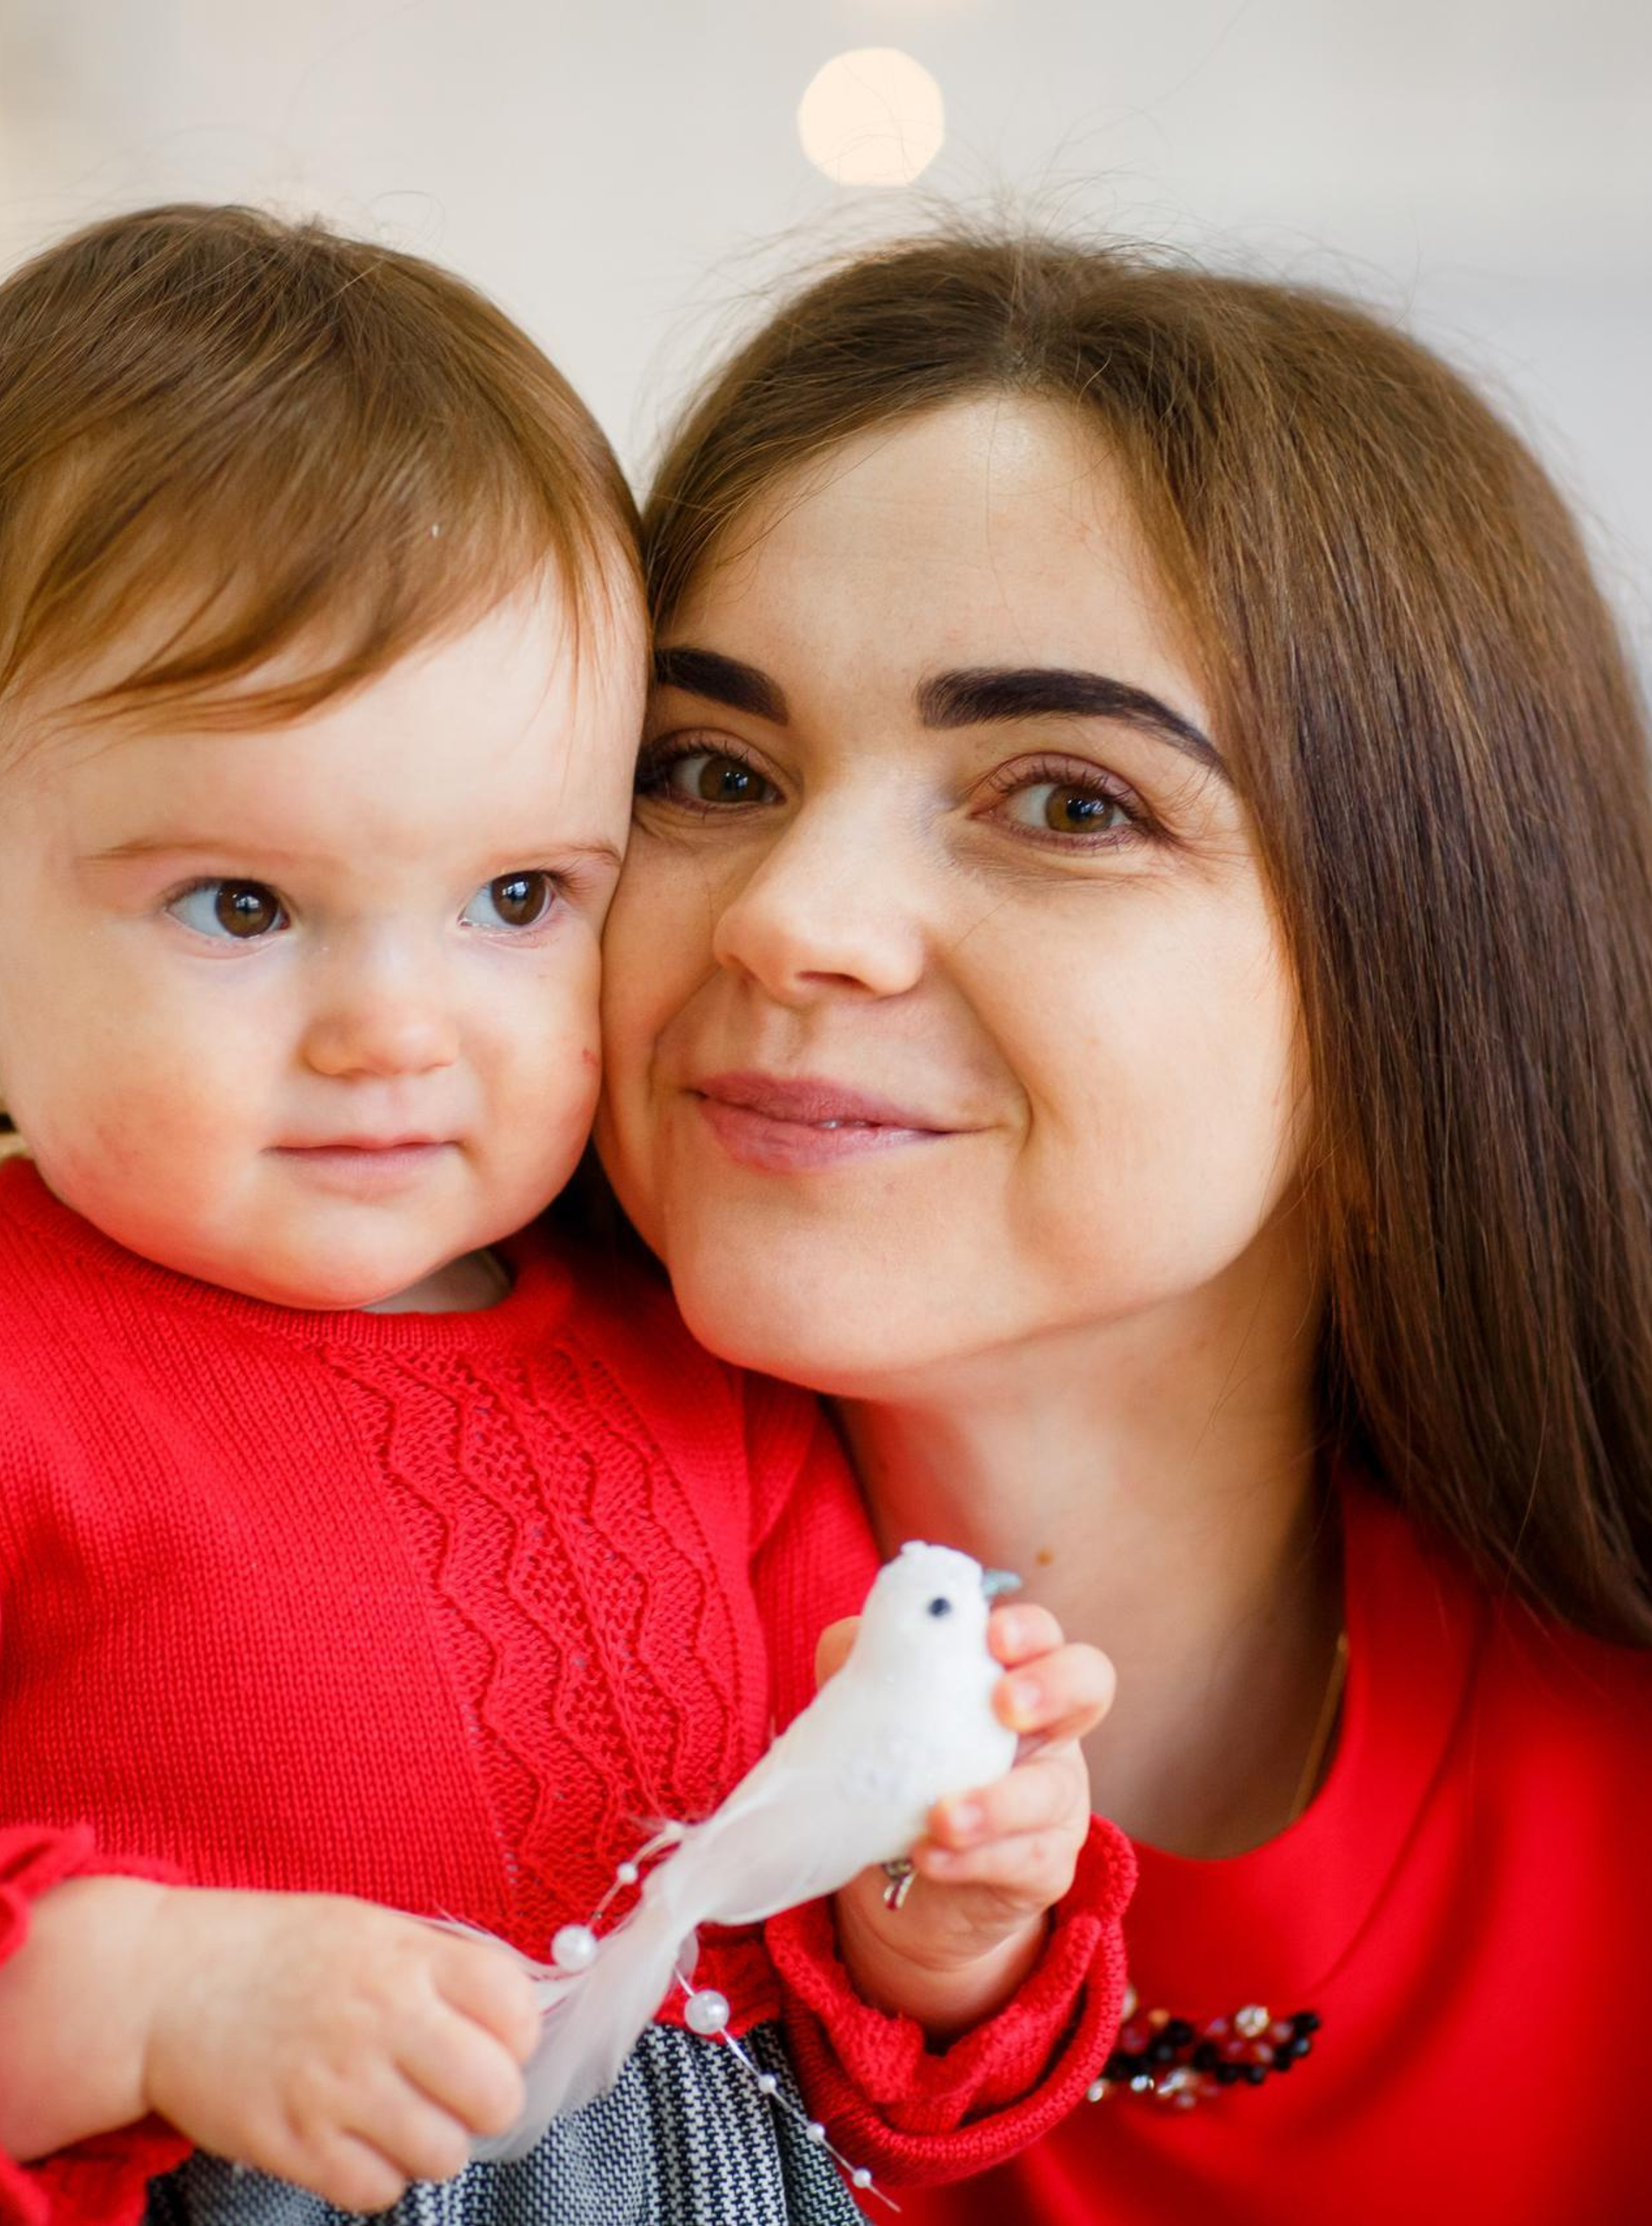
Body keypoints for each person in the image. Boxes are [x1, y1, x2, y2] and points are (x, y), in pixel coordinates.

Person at [0, 206, 1127, 2226]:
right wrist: (139, 1993)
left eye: (517, 898)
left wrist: (940, 1893)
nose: (395, 1030)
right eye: (242, 905)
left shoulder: (694, 1354)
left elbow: (887, 2084)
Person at [598, 229, 1652, 2218]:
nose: (786, 914)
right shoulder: (302, 1675)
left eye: (1066, 800)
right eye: (710, 767)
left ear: (1423, 972)